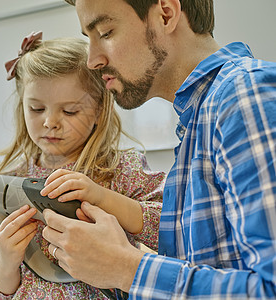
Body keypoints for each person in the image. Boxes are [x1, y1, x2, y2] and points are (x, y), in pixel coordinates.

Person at [41, 0, 276, 299]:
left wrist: (125, 268)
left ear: (166, 14)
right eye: (89, 39)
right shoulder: (197, 123)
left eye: (106, 32)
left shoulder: (243, 96)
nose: (93, 60)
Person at [0, 31, 167, 300]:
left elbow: (167, 229)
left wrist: (102, 197)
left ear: (99, 110)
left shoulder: (122, 168)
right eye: (36, 109)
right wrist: (6, 262)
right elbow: (0, 292)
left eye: (69, 111)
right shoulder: (0, 187)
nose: (50, 122)